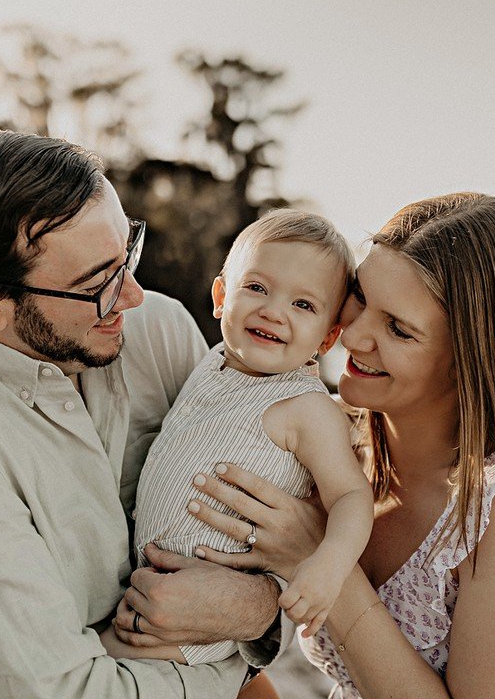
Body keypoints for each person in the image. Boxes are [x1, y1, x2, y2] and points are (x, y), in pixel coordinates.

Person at [0, 130, 290, 699]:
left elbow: (283, 538)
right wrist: (243, 630)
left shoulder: (161, 331)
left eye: (127, 257)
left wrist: (260, 607)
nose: (133, 297)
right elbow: (65, 691)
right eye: (97, 285)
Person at [163, 193, 495, 698]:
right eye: (360, 297)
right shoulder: (339, 454)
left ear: (470, 359)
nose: (352, 335)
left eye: (398, 329)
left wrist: (321, 561)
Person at [101, 210, 373, 666]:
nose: (273, 311)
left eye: (302, 305)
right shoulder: (212, 362)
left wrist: (329, 566)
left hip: (209, 612)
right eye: (257, 288)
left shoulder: (308, 410)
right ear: (222, 296)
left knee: (92, 663)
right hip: (149, 583)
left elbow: (351, 495)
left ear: (327, 339)